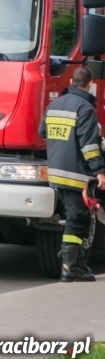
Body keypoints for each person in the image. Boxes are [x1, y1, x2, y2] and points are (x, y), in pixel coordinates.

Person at [39, 66, 105, 282]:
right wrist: (100, 171)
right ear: (90, 84)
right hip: (75, 173)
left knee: (75, 218)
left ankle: (76, 265)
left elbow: (43, 131)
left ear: (71, 81)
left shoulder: (54, 105)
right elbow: (88, 146)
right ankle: (70, 268)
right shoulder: (84, 108)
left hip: (56, 170)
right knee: (77, 220)